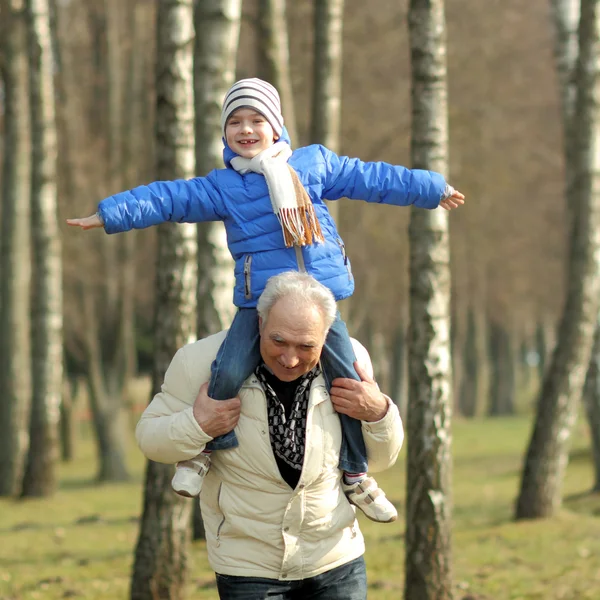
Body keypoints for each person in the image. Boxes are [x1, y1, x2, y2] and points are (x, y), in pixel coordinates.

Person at [67, 78, 464, 522]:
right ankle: (204, 453)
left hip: (317, 304)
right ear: (224, 133)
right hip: (261, 303)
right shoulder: (224, 186)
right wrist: (109, 214)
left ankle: (355, 474)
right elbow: (167, 198)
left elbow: (373, 178)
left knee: (348, 381)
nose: (246, 129)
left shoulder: (312, 165)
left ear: (276, 126)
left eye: (256, 119)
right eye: (235, 122)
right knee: (230, 367)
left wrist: (432, 189)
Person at [136, 271, 404, 599]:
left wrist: (378, 412)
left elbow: (382, 458)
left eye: (306, 346)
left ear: (327, 336)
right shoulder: (201, 363)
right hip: (248, 567)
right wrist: (198, 424)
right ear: (260, 322)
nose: (290, 359)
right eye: (278, 341)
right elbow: (150, 438)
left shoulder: (350, 360)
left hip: (337, 560)